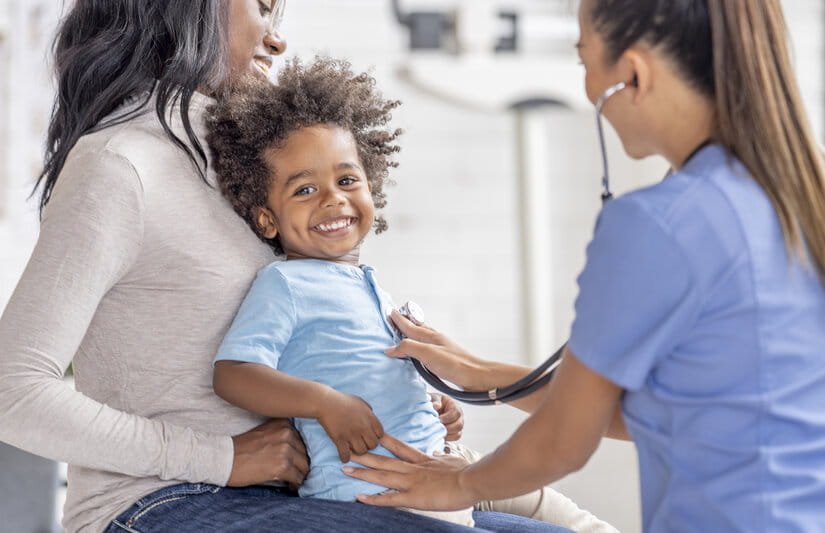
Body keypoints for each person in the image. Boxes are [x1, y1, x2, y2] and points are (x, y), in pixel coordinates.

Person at [0, 1, 568, 532]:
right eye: (262, 5)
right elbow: (14, 393)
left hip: (305, 492)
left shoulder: (255, 157)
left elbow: (310, 343)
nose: (277, 37)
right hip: (163, 501)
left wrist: (403, 401)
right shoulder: (120, 163)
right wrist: (219, 457)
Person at [343, 1, 825, 532]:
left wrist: (453, 484)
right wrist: (479, 375)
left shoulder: (660, 223)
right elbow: (665, 413)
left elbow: (562, 443)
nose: (590, 89)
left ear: (633, 74)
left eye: (584, 61)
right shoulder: (796, 200)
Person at [206, 57, 615, 532]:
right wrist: (323, 403)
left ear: (371, 186)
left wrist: (434, 407)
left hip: (439, 462)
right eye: (304, 190)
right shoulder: (286, 284)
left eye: (346, 180)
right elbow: (233, 374)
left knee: (581, 523)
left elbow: (370, 370)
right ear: (266, 219)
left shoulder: (370, 284)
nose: (333, 199)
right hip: (374, 491)